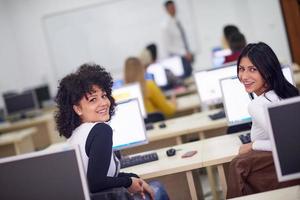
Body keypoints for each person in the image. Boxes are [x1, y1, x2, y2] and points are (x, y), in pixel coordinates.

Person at [55, 63, 170, 200]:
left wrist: (131, 178)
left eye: (104, 96)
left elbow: (100, 178)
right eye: (93, 100)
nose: (103, 103)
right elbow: (95, 183)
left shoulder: (75, 136)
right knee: (158, 188)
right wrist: (128, 182)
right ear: (77, 109)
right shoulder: (101, 130)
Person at [226, 42, 300, 198]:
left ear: (267, 71)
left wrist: (254, 145)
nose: (244, 76)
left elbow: (288, 145)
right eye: (241, 69)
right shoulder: (288, 94)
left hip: (280, 182)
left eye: (252, 69)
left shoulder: (256, 105)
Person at [161, 1, 193, 77]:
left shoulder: (177, 21)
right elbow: (168, 46)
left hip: (185, 55)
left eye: (174, 7)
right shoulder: (165, 25)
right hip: (178, 58)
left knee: (190, 75)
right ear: (167, 9)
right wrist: (184, 53)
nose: (174, 9)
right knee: (184, 78)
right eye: (171, 8)